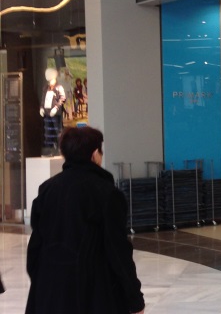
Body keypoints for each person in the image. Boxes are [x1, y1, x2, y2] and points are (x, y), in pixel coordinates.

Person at [26, 127, 145, 314]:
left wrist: (43, 284)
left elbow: (35, 247)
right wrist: (134, 298)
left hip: (49, 294)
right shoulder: (107, 194)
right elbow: (118, 251)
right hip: (94, 295)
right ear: (95, 154)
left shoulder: (47, 190)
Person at [39, 68, 66, 150]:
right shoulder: (45, 88)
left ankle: (60, 148)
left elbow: (63, 98)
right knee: (47, 132)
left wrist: (56, 107)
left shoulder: (59, 87)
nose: (46, 76)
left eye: (48, 74)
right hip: (47, 113)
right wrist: (41, 108)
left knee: (58, 131)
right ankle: (49, 148)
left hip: (55, 113)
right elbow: (43, 99)